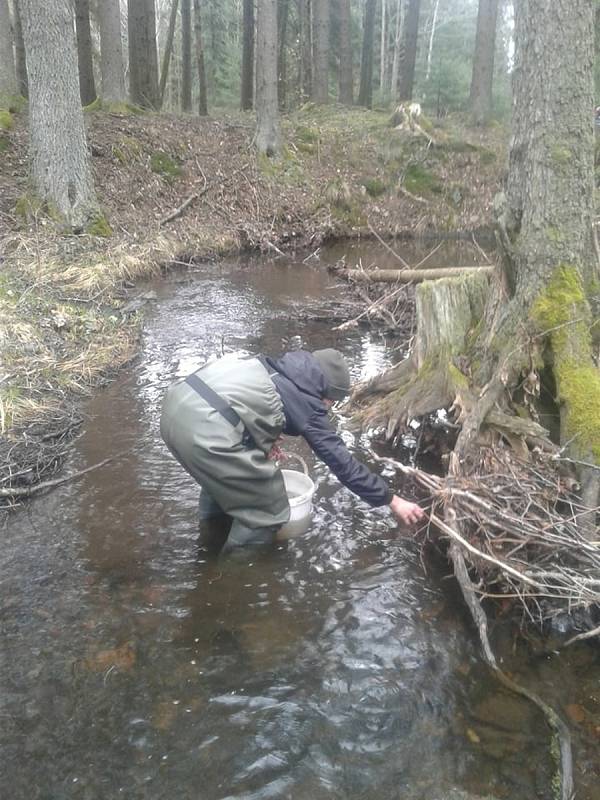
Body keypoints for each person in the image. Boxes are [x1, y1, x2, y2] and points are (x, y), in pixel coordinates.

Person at [160, 348, 425, 552]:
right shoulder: (307, 405)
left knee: (223, 481)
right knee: (267, 508)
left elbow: (232, 405)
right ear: (325, 392)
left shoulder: (269, 366)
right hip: (203, 434)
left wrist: (262, 438)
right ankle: (232, 582)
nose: (328, 407)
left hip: (175, 411)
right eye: (331, 401)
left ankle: (209, 541)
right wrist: (392, 500)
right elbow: (343, 464)